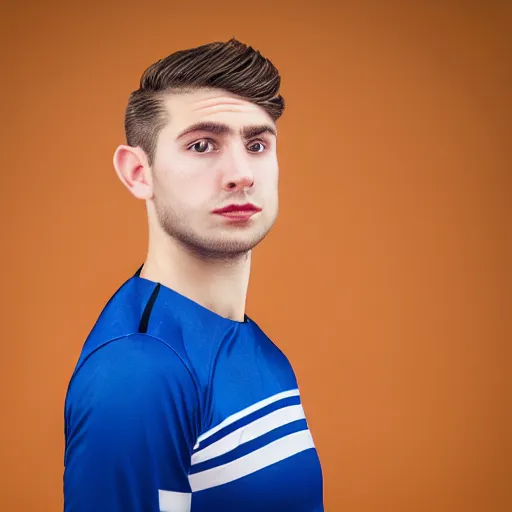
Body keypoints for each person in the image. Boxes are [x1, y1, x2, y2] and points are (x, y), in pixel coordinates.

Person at [63, 38, 324, 512]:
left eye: (257, 144)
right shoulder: (140, 369)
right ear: (138, 173)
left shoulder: (254, 345)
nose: (240, 173)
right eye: (202, 145)